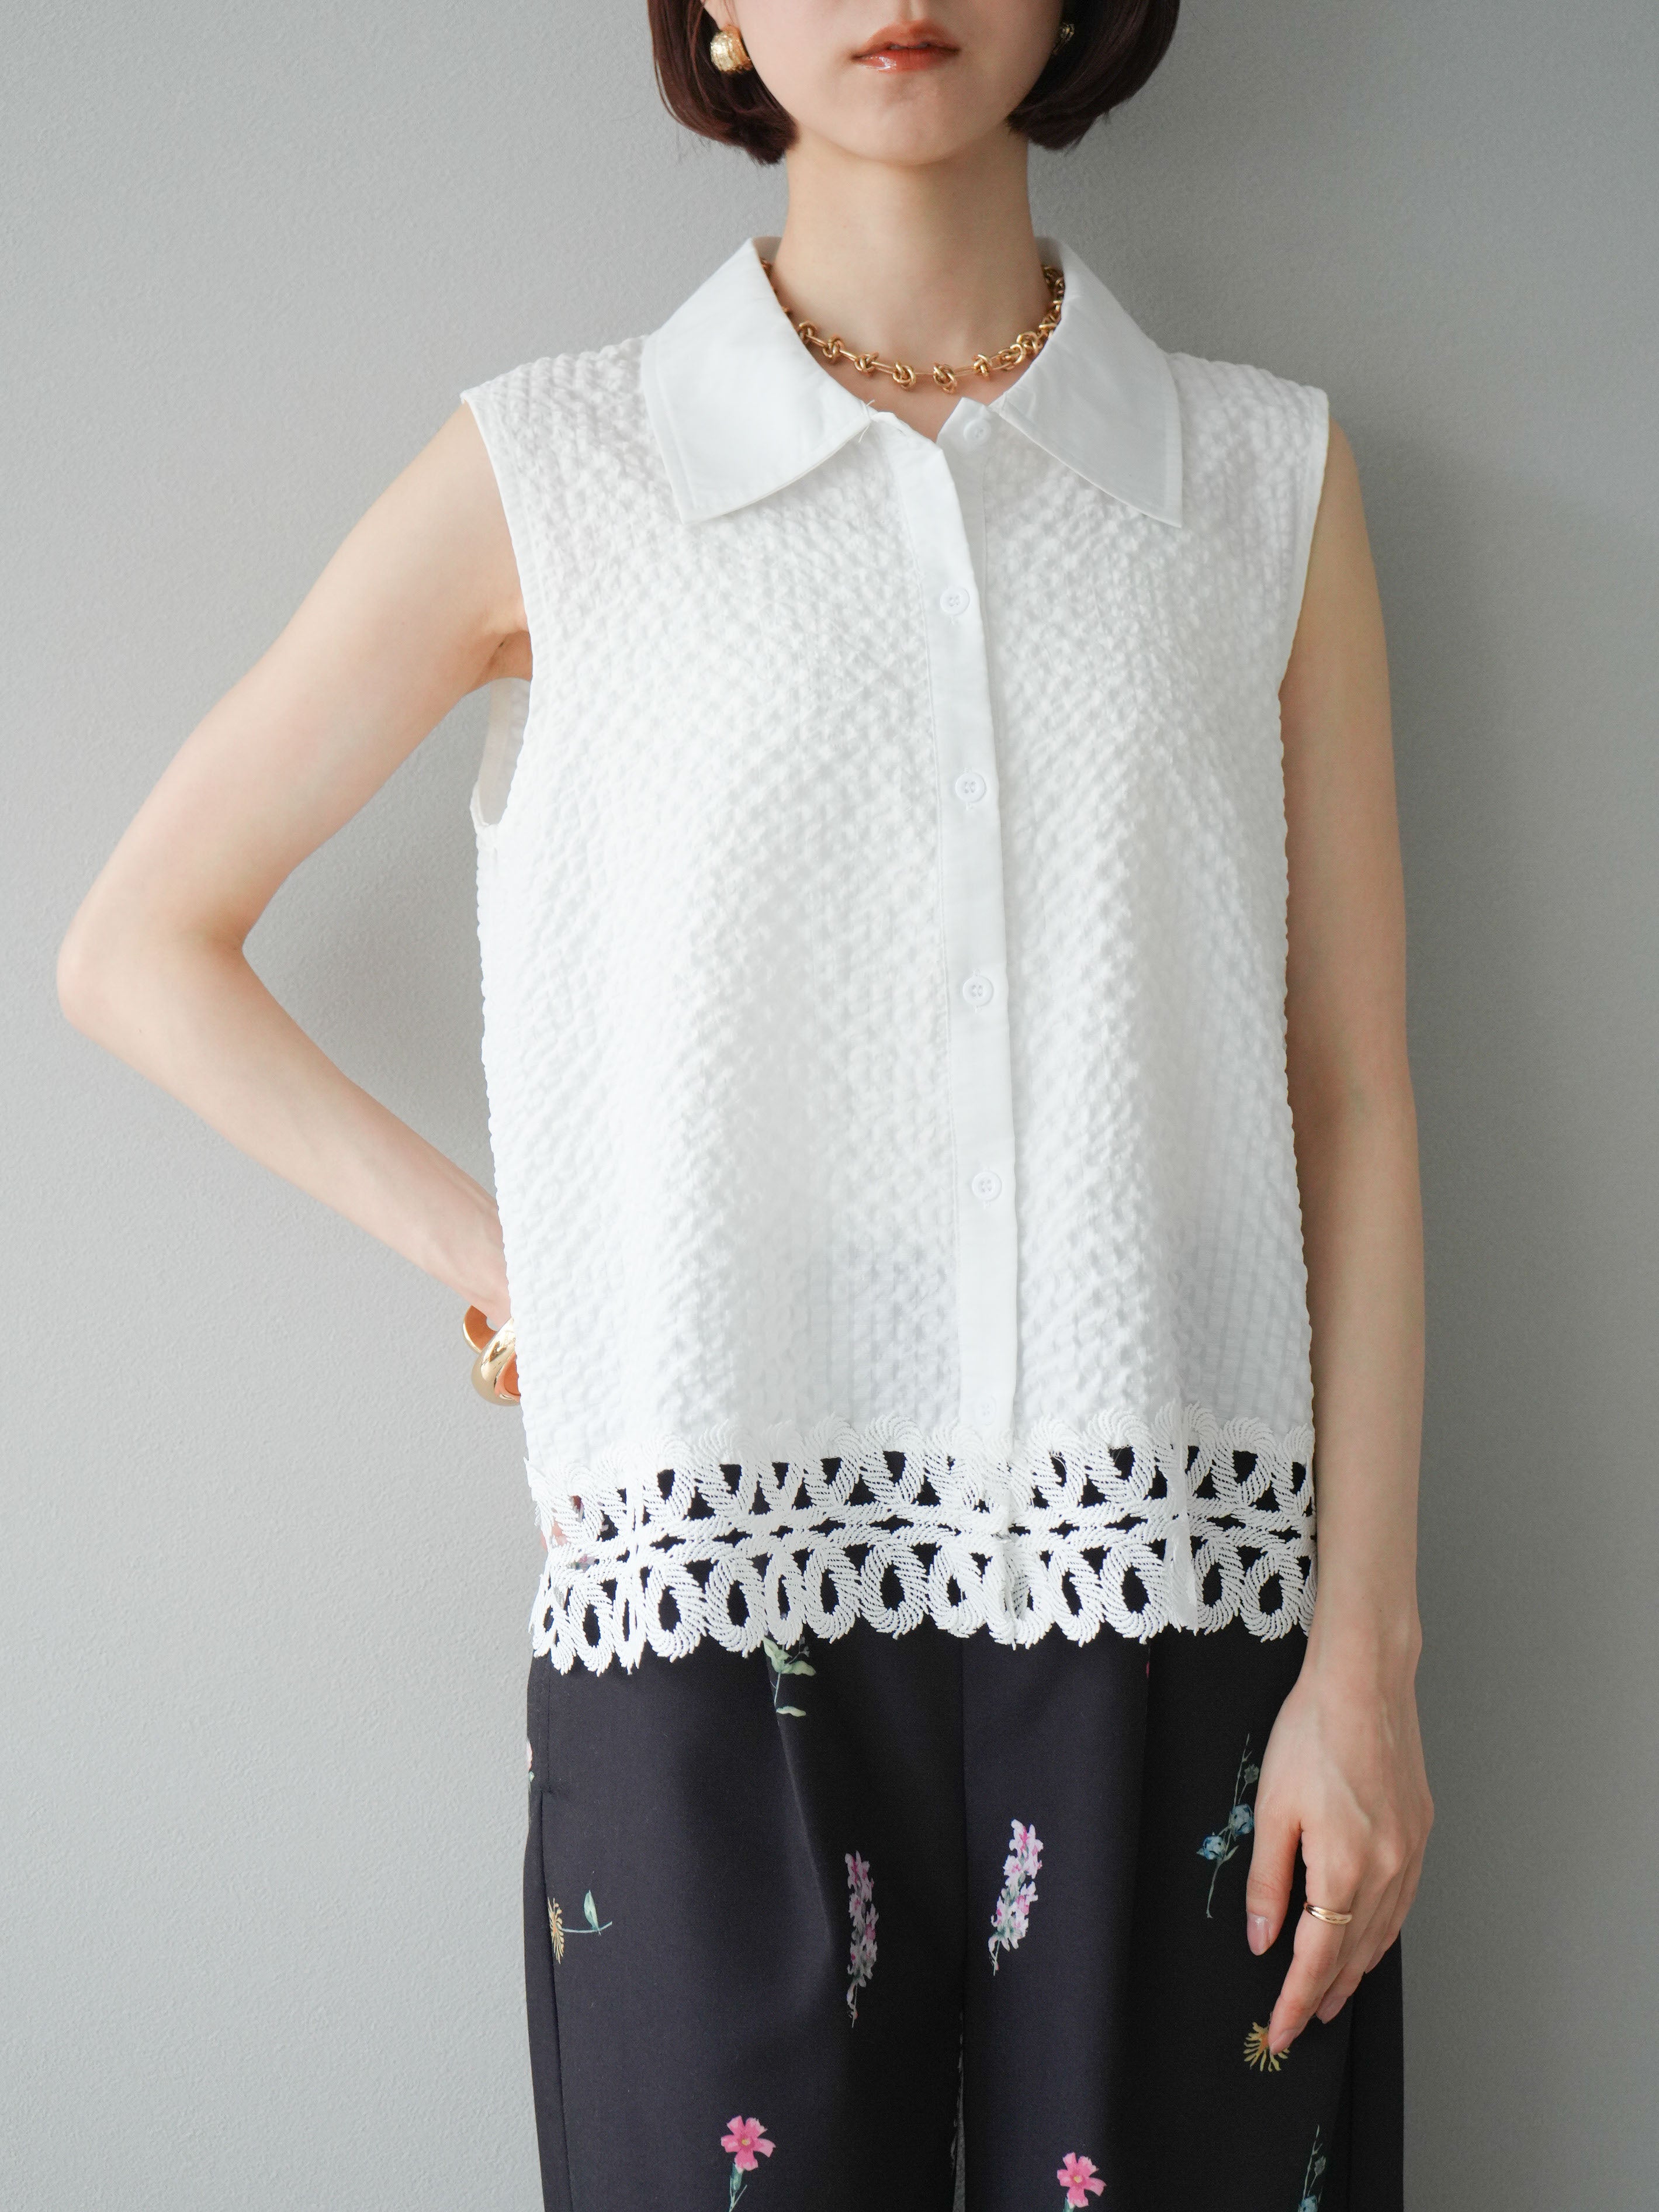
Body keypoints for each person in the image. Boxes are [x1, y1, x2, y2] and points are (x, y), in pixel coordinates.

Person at [57, 4, 1433, 2206]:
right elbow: (139, 943)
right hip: (714, 1615)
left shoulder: (1260, 479)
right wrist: (522, 1271)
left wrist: (1365, 1661)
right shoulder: (557, 469)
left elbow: (1349, 1089)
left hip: (1180, 1602)